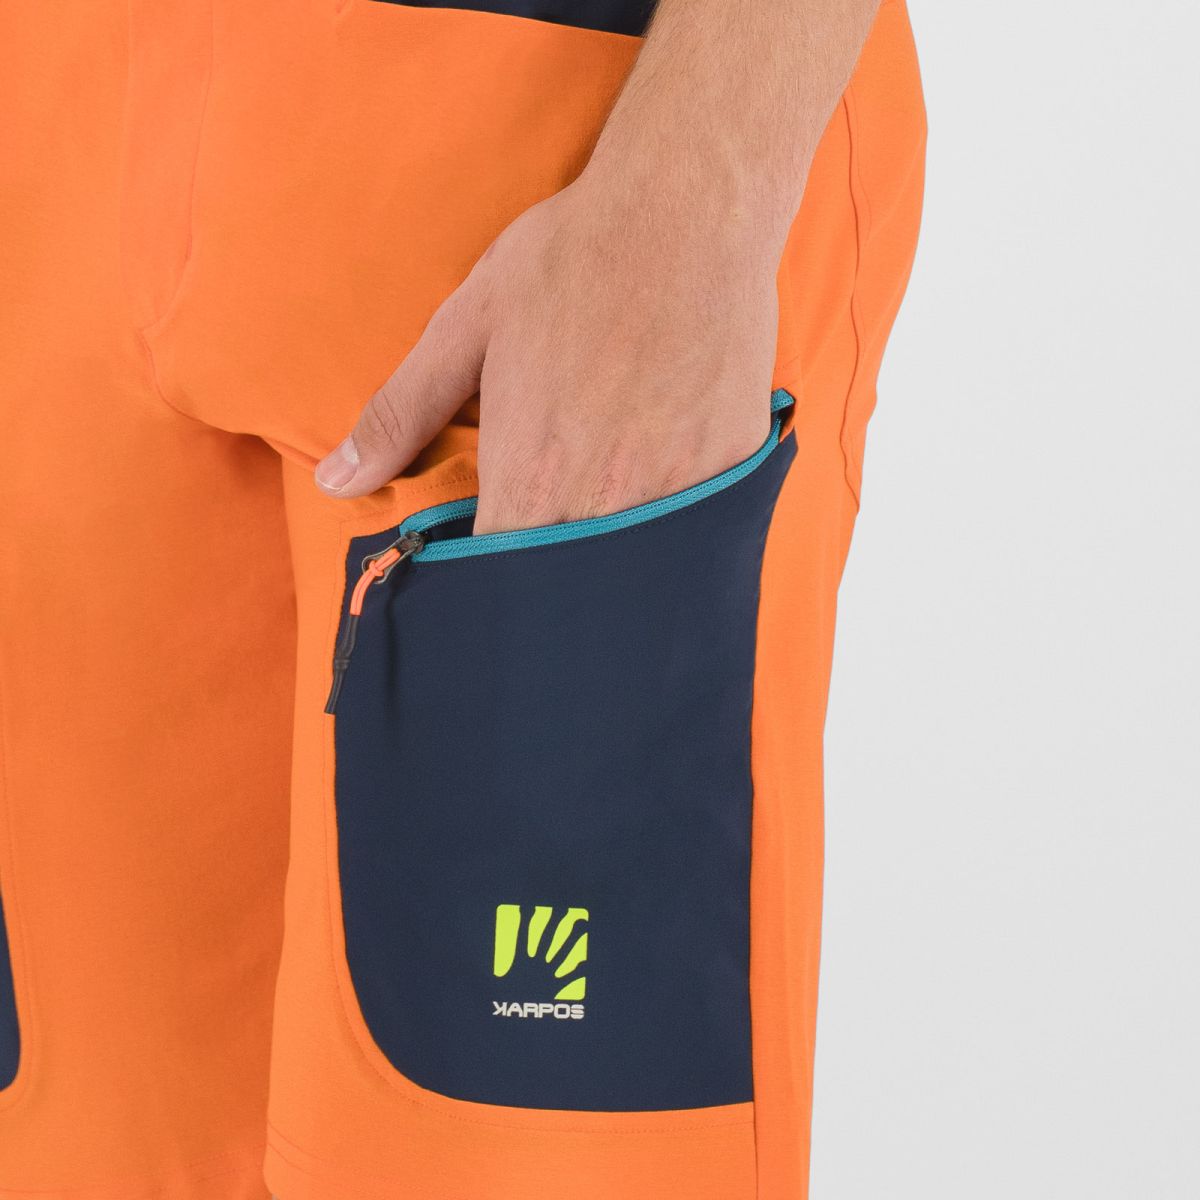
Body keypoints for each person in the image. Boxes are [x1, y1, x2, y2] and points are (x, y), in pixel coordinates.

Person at [0, 0, 925, 1196]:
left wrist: (704, 177)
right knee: (61, 1140)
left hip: (553, 128)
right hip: (48, 133)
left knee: (532, 1157)